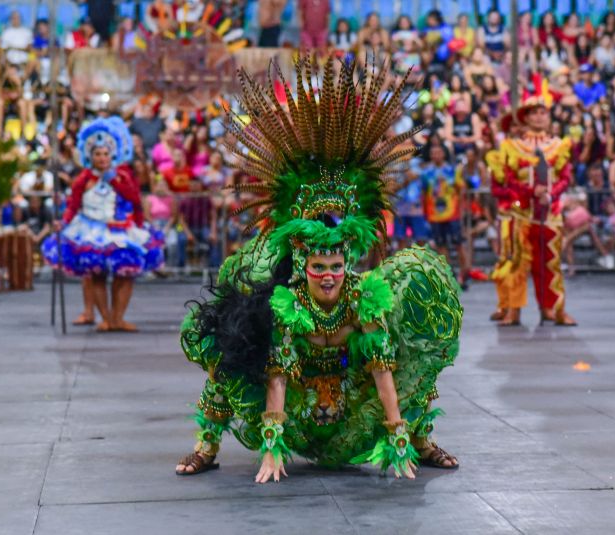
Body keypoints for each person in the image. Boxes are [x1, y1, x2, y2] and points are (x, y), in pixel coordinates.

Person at [175, 58, 462, 481]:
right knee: (230, 341)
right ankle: (206, 445)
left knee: (414, 345)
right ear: (302, 263)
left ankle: (422, 439)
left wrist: (398, 440)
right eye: (318, 266)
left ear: (349, 262)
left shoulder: (364, 299)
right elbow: (276, 377)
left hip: (349, 409)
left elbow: (382, 371)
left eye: (337, 265)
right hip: (295, 408)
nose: (329, 275)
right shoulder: (288, 304)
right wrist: (271, 450)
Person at [42, 117, 164, 332]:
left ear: (113, 154)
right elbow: (73, 205)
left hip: (121, 230)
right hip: (91, 231)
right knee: (97, 275)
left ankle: (118, 318)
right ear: (90, 156)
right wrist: (63, 222)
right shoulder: (83, 179)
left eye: (105, 154)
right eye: (97, 154)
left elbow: (134, 199)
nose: (102, 158)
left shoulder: (123, 175)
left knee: (125, 274)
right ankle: (106, 318)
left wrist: (114, 180)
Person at [486, 79, 577, 326]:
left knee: (550, 263)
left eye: (543, 112)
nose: (539, 117)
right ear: (525, 118)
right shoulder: (512, 146)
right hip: (522, 215)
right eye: (534, 112)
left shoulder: (559, 146)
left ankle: (553, 309)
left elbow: (565, 177)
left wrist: (551, 193)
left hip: (550, 214)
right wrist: (529, 192)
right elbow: (508, 178)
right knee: (516, 262)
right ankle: (513, 310)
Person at [422, 143, 467, 285]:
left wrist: (461, 209)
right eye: (433, 153)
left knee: (458, 244)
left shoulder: (453, 170)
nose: (436, 155)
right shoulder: (426, 173)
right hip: (435, 215)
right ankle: (448, 276)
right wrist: (426, 214)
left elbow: (461, 189)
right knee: (441, 245)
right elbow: (424, 195)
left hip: (452, 213)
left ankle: (464, 275)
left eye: (438, 152)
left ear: (444, 154)